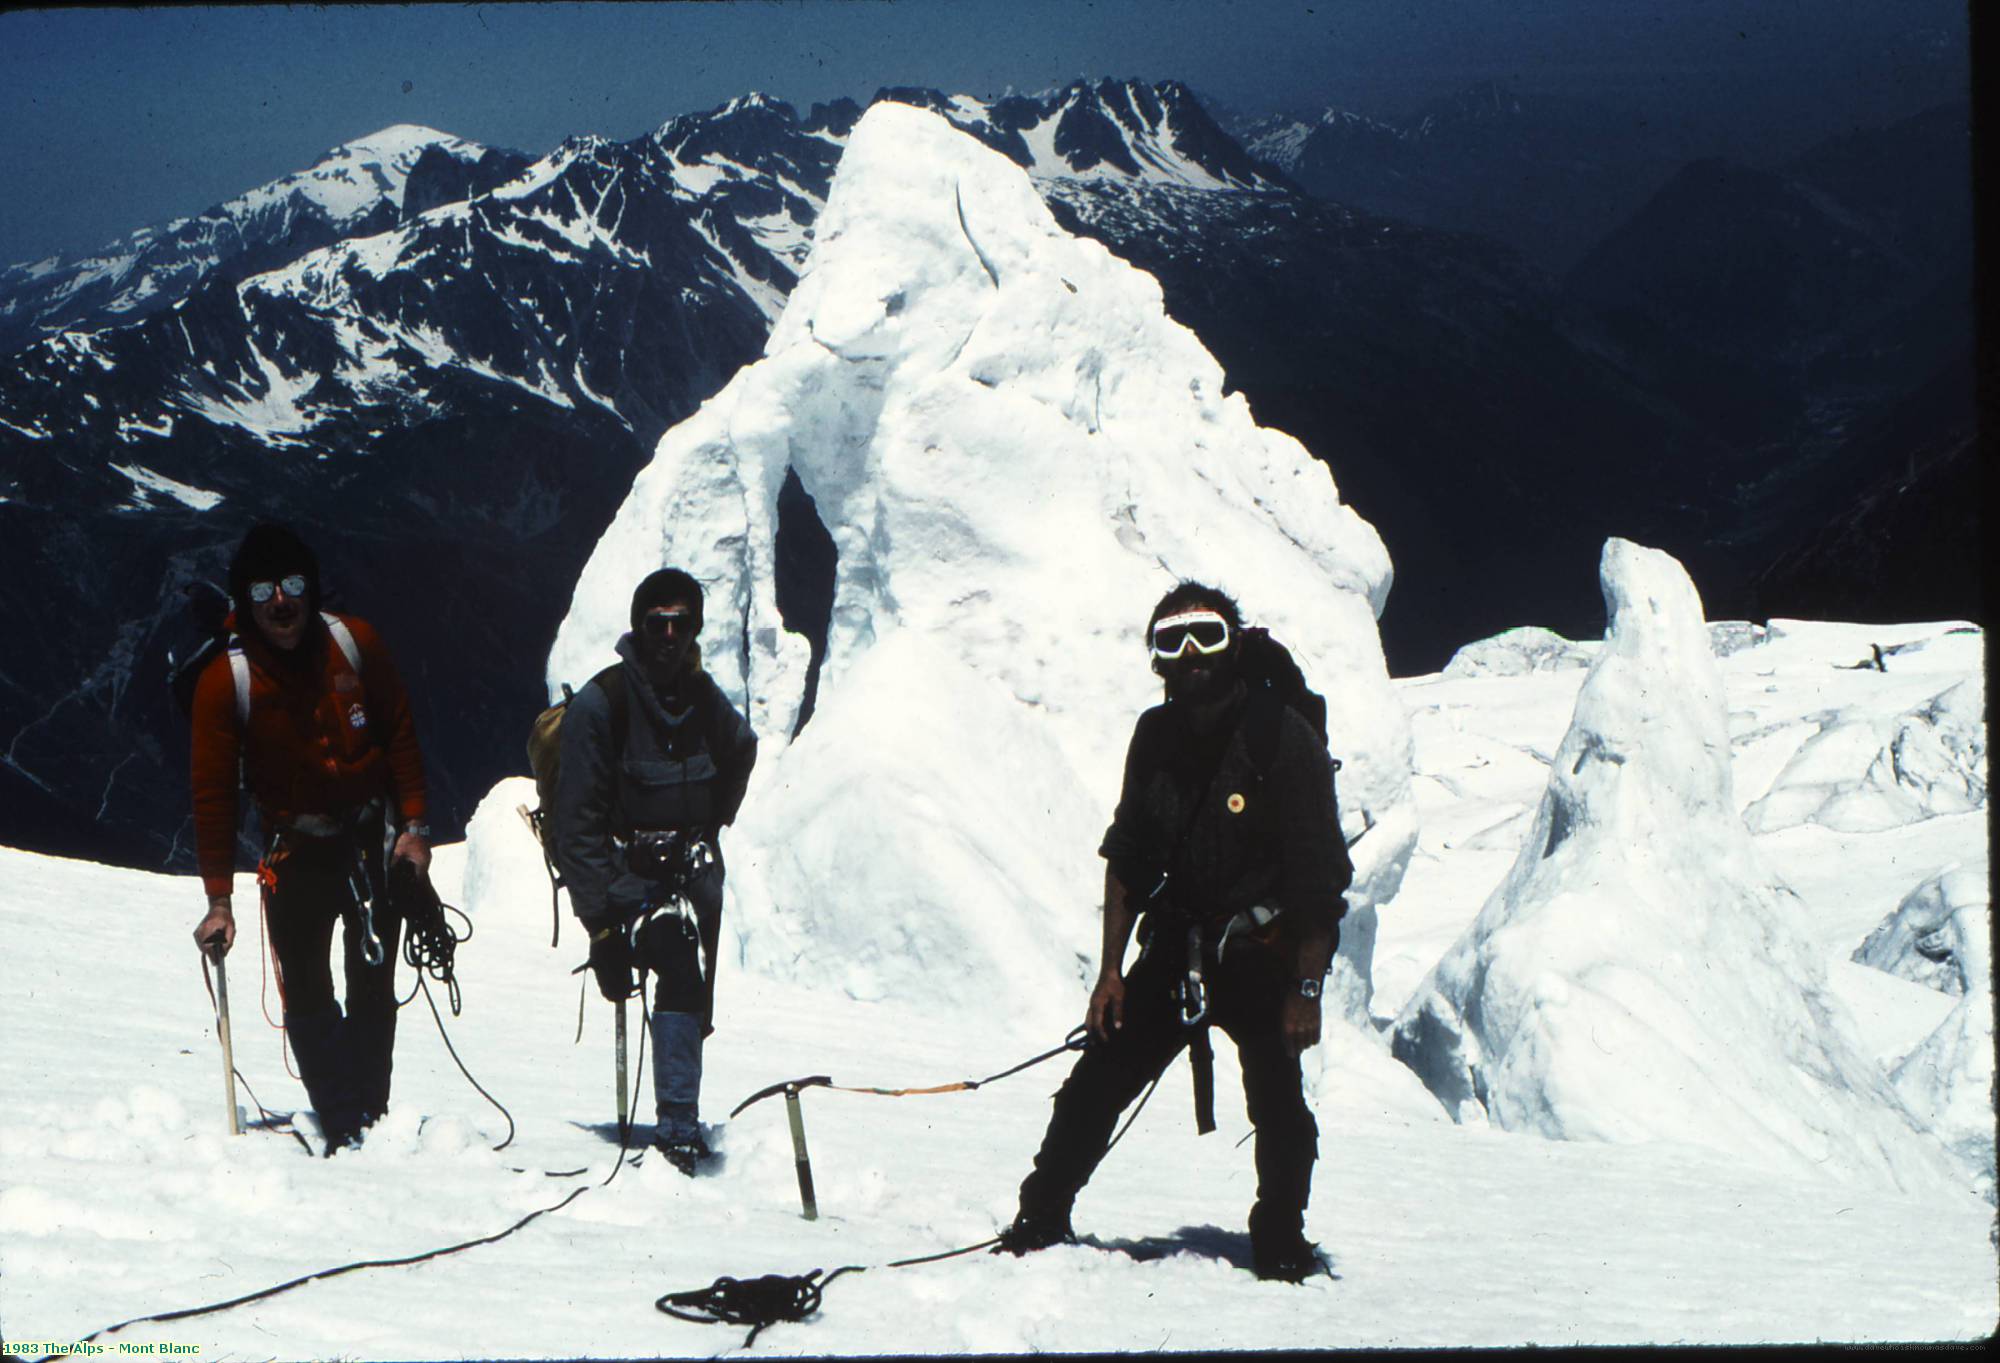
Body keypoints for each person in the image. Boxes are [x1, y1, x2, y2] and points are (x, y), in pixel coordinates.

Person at [997, 581, 1352, 1282]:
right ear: (1156, 659)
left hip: (1261, 952)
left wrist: (1305, 988)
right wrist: (1110, 974)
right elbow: (1126, 855)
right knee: (1097, 1078)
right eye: (1172, 641)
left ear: (1235, 645)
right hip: (1179, 946)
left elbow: (1320, 884)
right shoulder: (1153, 737)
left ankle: (1281, 1238)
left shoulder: (1284, 738)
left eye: (1206, 636)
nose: (1190, 655)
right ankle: (1041, 1214)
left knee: (1278, 1100)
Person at [189, 523, 431, 1155]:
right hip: (296, 852)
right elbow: (212, 793)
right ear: (245, 598)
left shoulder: (354, 644)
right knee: (306, 986)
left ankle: (365, 1116)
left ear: (311, 587)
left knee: (373, 980)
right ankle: (345, 1117)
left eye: (293, 585)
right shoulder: (227, 682)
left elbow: (399, 732)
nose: (281, 602)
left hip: (367, 838)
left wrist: (414, 830)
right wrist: (219, 899)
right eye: (264, 589)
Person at [555, 567, 758, 1175]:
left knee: (685, 975)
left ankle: (679, 1122)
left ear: (694, 628)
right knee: (676, 957)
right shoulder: (603, 703)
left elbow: (740, 749)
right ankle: (677, 1128)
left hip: (689, 877)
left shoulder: (700, 696)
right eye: (657, 623)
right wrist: (601, 927)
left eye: (681, 623)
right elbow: (576, 824)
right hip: (628, 883)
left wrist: (707, 824)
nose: (669, 636)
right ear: (639, 627)